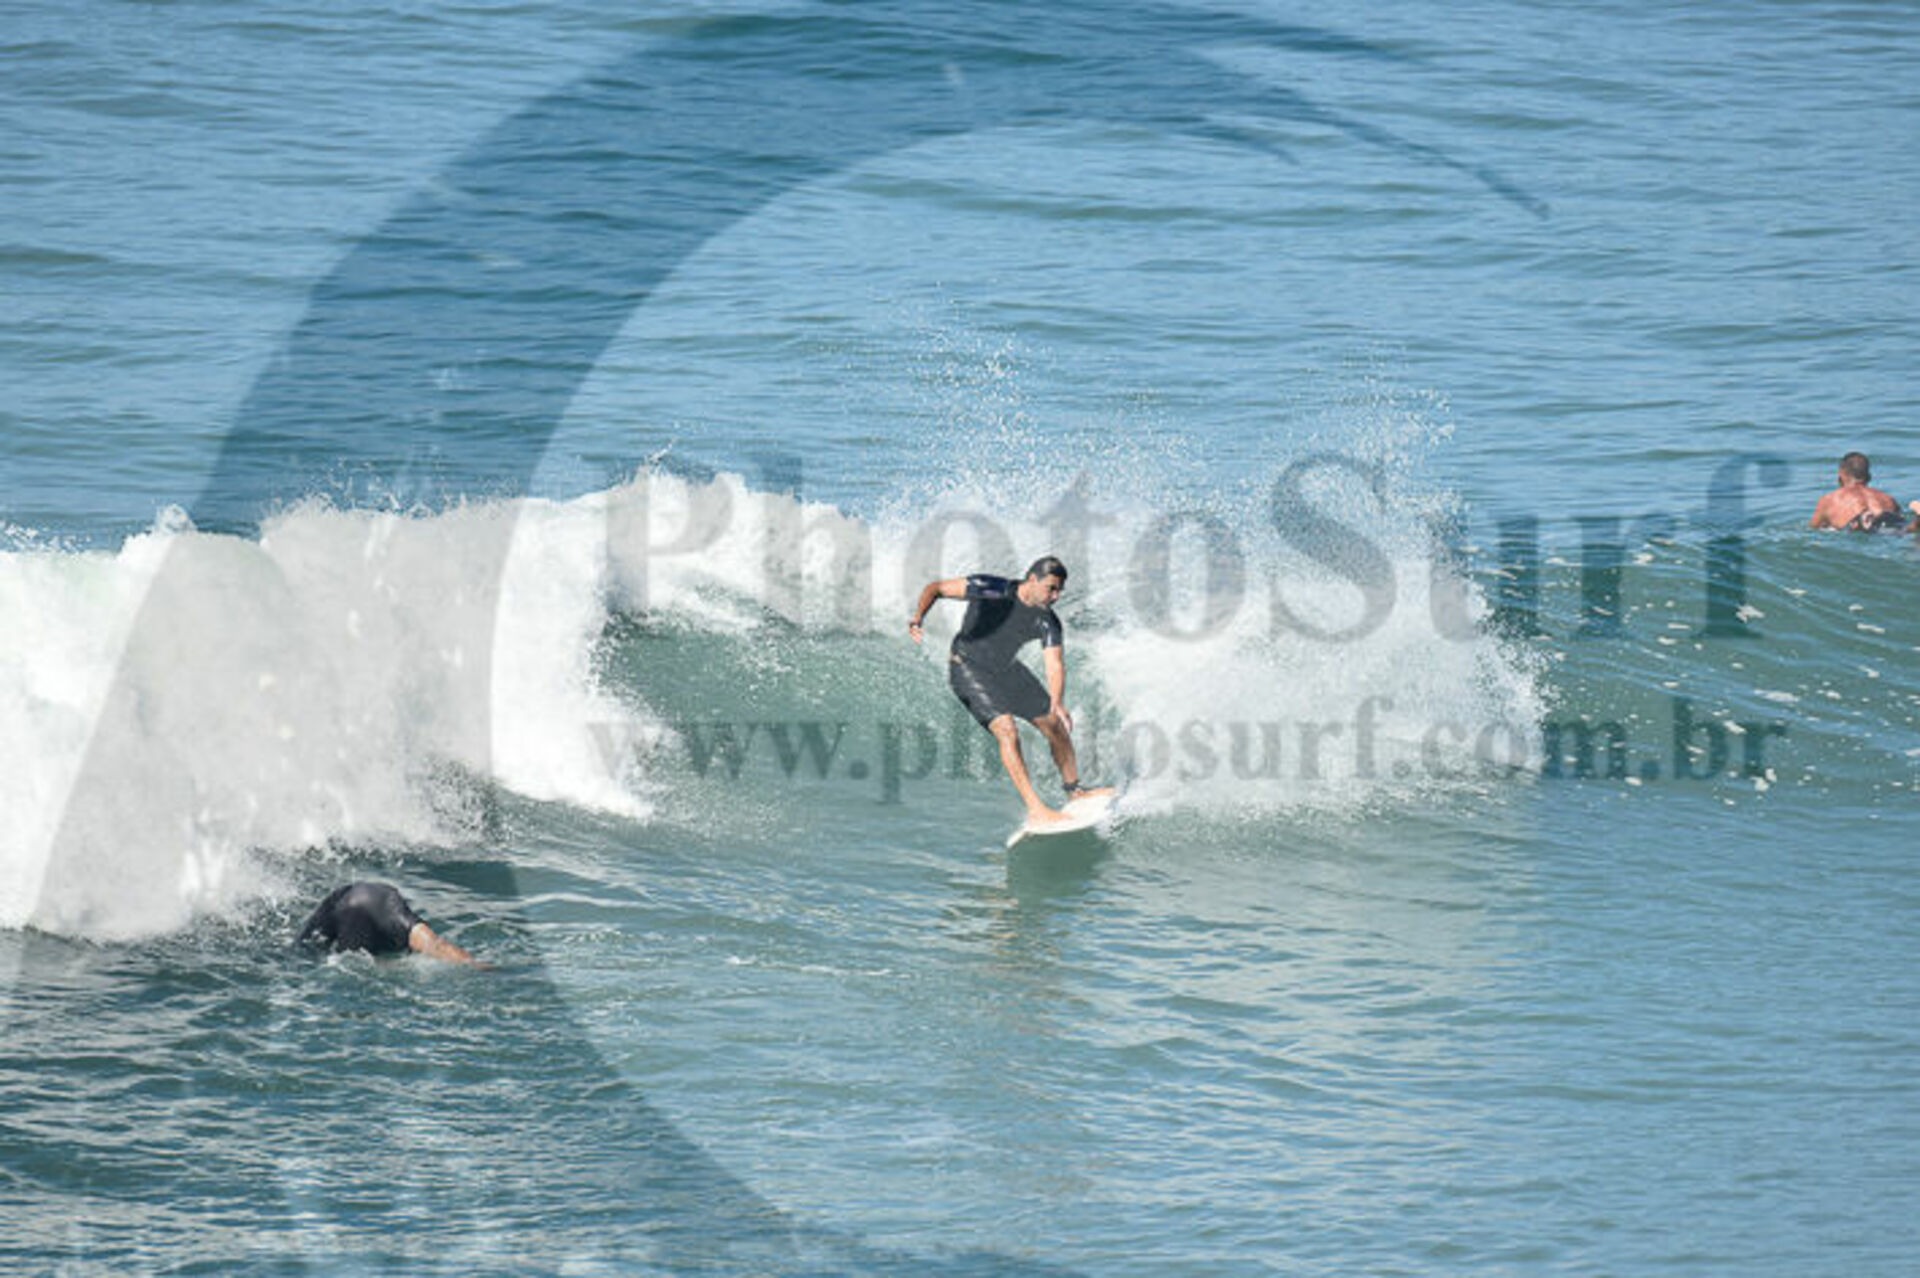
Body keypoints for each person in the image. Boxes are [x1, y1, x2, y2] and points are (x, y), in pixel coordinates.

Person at [909, 556, 1110, 825]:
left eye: (1059, 590)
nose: (1056, 597)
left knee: (1054, 723)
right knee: (1007, 730)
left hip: (1006, 670)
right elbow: (936, 588)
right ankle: (1036, 809)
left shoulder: (1047, 621)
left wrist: (1058, 702)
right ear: (1032, 580)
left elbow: (1055, 664)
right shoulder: (990, 589)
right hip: (967, 669)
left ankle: (1075, 791)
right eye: (1051, 588)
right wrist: (918, 619)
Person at [297, 882, 481, 966]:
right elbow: (437, 947)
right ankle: (480, 966)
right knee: (434, 946)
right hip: (381, 898)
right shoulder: (400, 922)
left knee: (306, 953)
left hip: (352, 896)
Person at [1810, 453, 1905, 531]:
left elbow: (1813, 530)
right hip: (1889, 524)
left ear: (1841, 475)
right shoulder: (1888, 499)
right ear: (1869, 477)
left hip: (1856, 528)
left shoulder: (1829, 500)